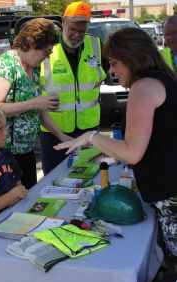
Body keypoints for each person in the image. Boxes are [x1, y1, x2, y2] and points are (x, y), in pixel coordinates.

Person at [54, 27, 177, 267]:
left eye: (114, 62)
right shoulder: (164, 80)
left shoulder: (143, 87)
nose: (111, 70)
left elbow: (132, 152)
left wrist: (91, 137)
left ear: (131, 57)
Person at [0, 18, 72, 189]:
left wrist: (62, 137)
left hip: (25, 152)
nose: (47, 56)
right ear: (32, 44)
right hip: (4, 155)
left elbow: (40, 112)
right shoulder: (7, 64)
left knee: (27, 200)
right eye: (46, 52)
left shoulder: (33, 67)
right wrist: (34, 103)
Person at [39, 1, 108, 175]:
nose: (77, 35)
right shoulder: (47, 48)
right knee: (54, 179)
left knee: (88, 176)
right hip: (53, 132)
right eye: (73, 29)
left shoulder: (97, 46)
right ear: (63, 22)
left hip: (89, 129)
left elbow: (107, 73)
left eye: (82, 31)